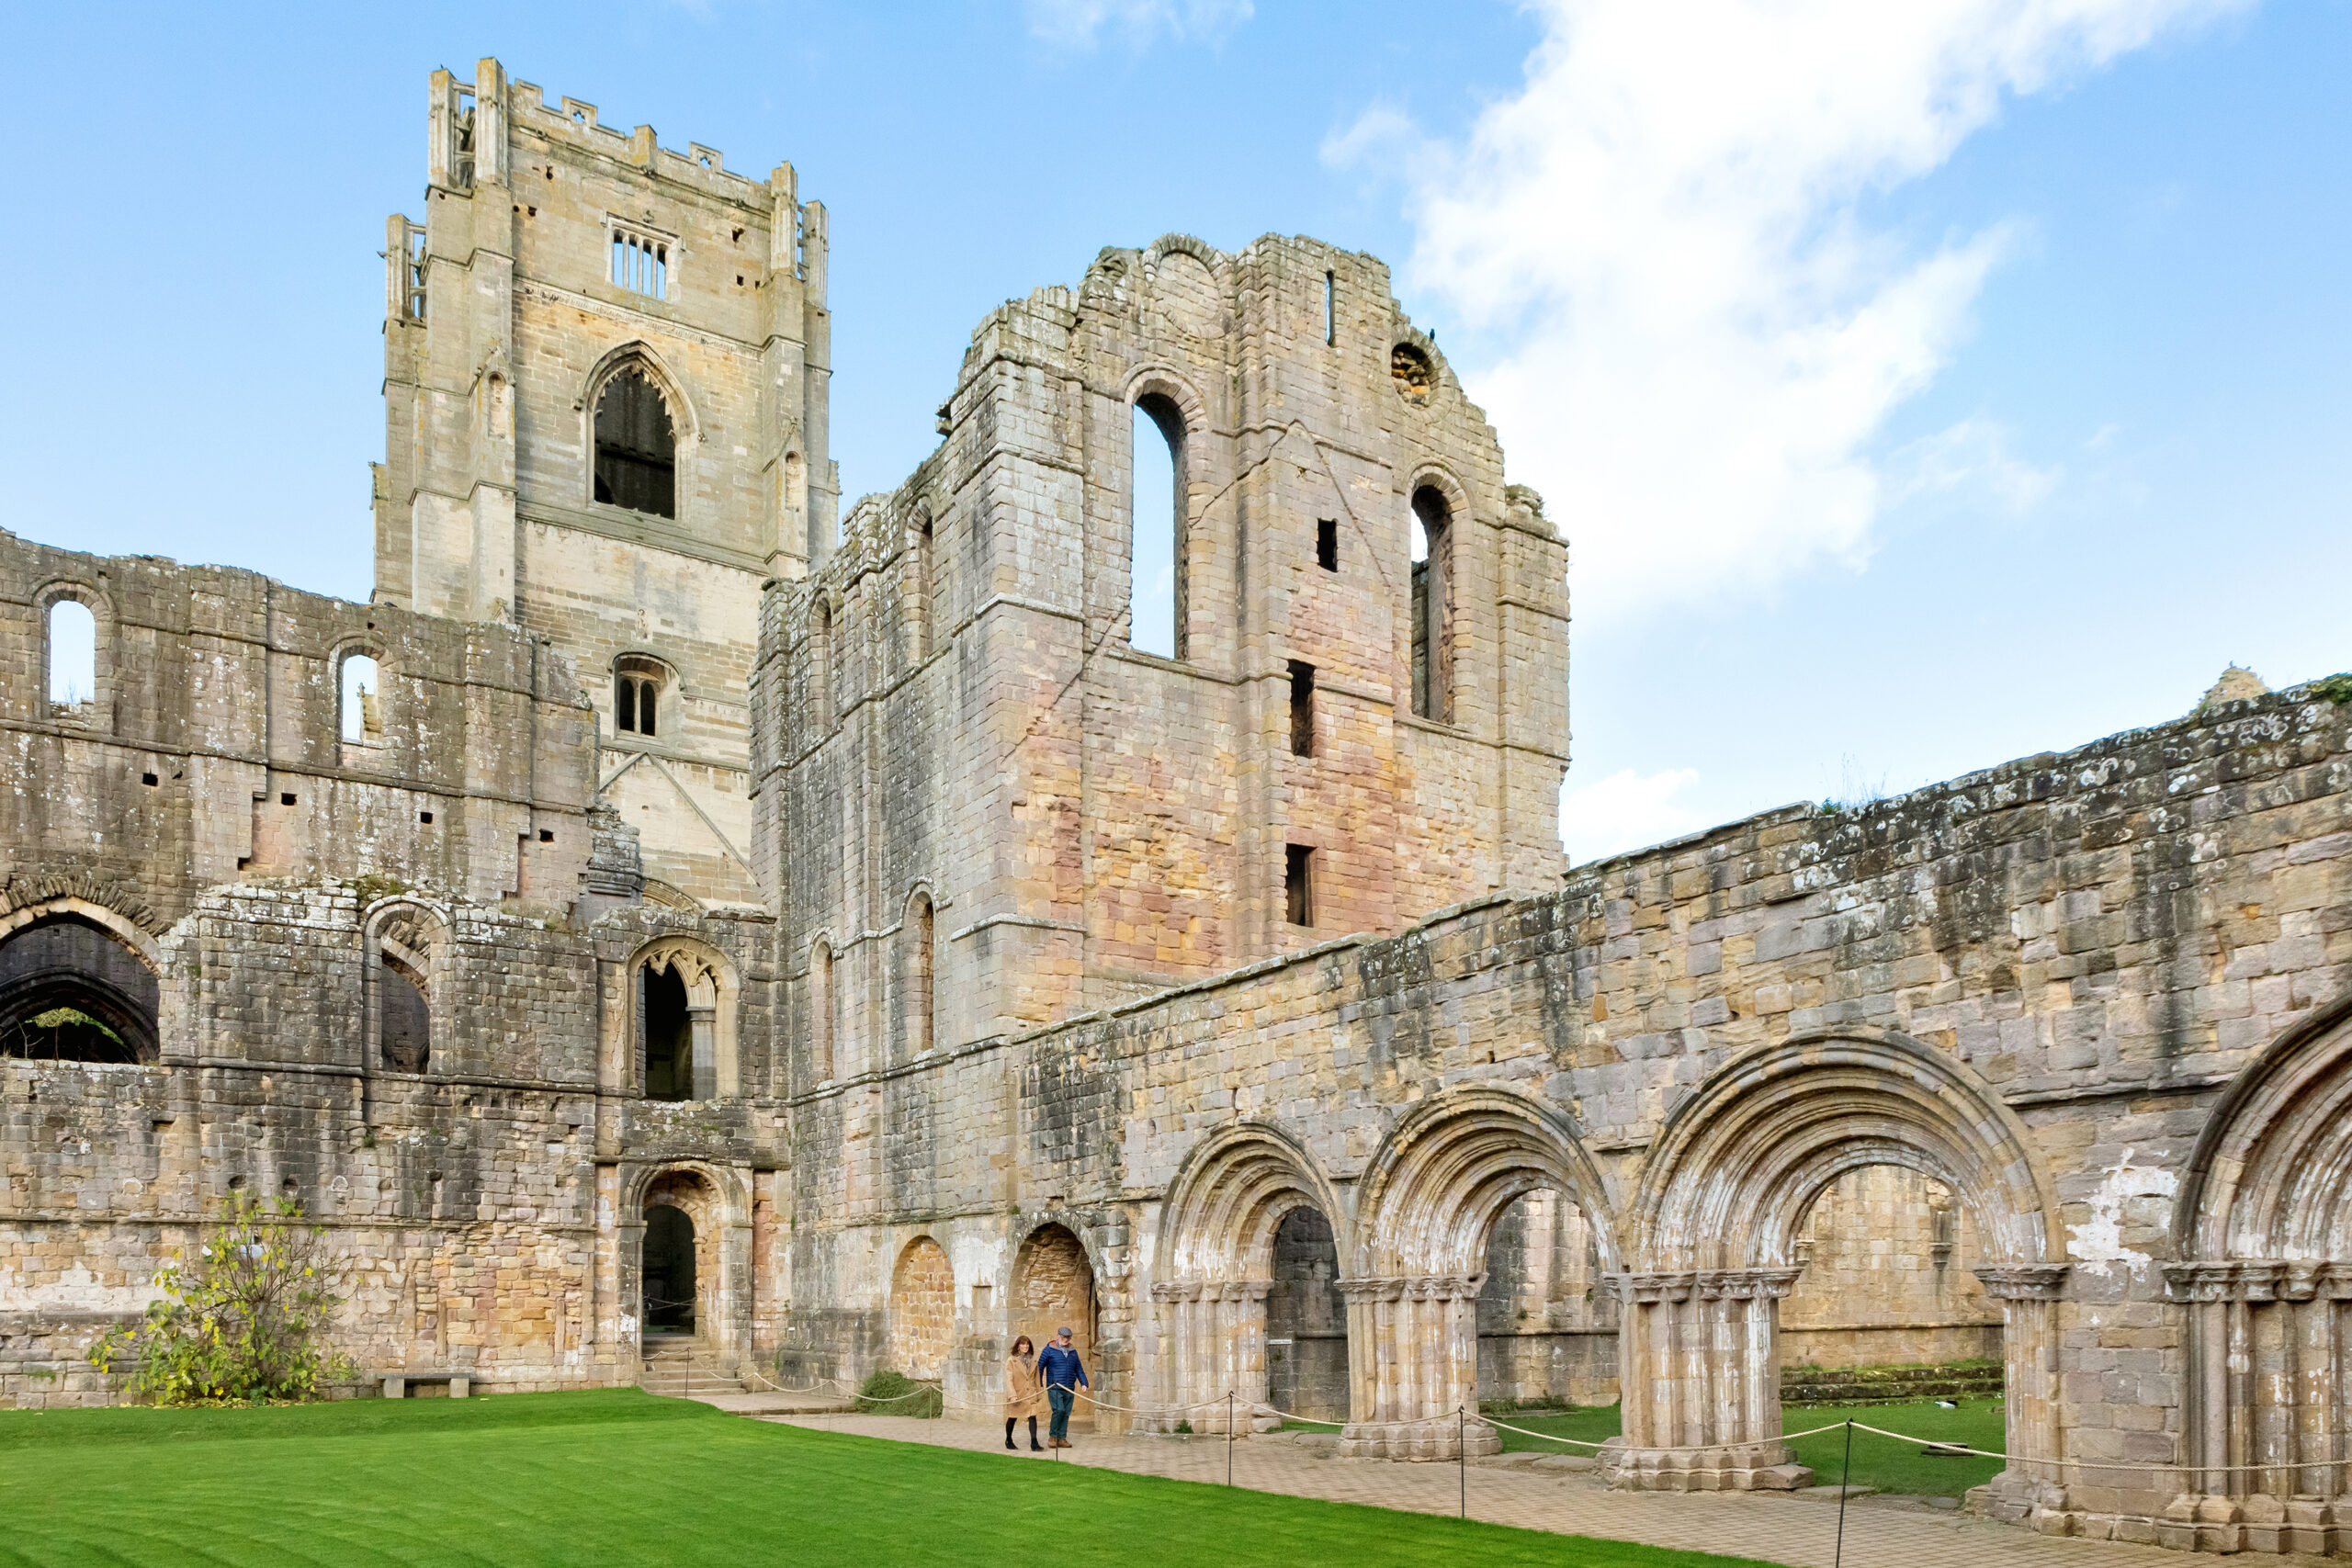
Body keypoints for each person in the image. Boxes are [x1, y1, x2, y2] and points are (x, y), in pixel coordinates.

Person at [1035, 1325, 1089, 1449]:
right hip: (1055, 1386)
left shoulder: (1073, 1351)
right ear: (1058, 1336)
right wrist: (1040, 1384)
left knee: (1066, 1413)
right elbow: (1040, 1367)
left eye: (1069, 1337)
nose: (1066, 1339)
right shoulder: (1049, 1349)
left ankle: (1062, 1438)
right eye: (1064, 1337)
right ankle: (1053, 1437)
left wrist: (1084, 1383)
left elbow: (1079, 1368)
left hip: (1069, 1387)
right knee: (1059, 1410)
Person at [1003, 1334, 1044, 1451]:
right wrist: (1012, 1395)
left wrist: (1038, 1393)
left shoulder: (1033, 1360)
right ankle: (1008, 1439)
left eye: (1027, 1344)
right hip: (1017, 1394)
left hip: (1030, 1393)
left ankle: (1034, 1442)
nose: (1025, 1346)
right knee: (1013, 1417)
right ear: (1018, 1346)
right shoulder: (1011, 1361)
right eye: (1023, 1344)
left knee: (1032, 1416)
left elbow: (1037, 1378)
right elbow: (1009, 1379)